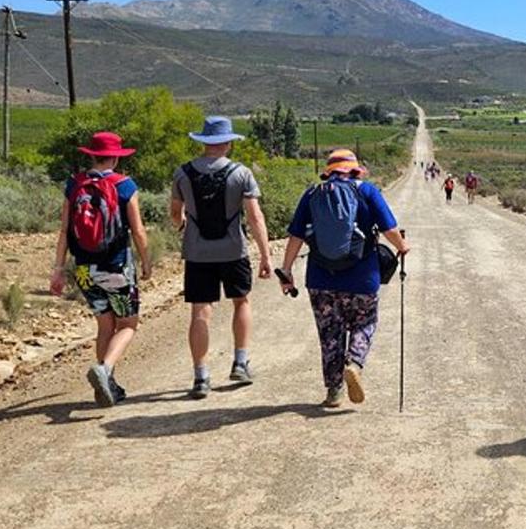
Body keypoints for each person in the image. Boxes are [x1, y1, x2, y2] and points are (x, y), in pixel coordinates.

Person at [277, 149, 410, 407]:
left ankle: (333, 391)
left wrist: (287, 271)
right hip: (362, 280)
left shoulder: (312, 194)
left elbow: (296, 236)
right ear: (354, 169)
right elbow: (389, 229)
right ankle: (355, 363)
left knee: (329, 335)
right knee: (365, 322)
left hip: (320, 280)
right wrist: (402, 246)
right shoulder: (367, 191)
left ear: (329, 172)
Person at [170, 115, 272, 399]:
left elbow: (174, 212)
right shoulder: (241, 174)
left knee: (200, 310)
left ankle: (201, 377)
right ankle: (240, 362)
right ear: (227, 143)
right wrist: (265, 255)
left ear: (203, 142)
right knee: (241, 301)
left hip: (197, 252)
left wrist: (183, 227)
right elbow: (254, 217)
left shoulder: (182, 173)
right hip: (233, 250)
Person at [50, 132, 151, 407]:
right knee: (128, 324)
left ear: (91, 155)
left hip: (83, 269)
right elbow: (138, 231)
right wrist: (147, 261)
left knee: (105, 324)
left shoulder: (74, 184)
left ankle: (108, 386)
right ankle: (105, 370)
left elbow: (63, 230)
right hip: (116, 267)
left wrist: (58, 268)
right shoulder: (125, 186)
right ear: (116, 158)